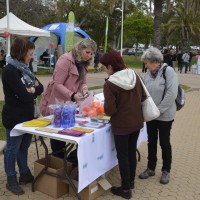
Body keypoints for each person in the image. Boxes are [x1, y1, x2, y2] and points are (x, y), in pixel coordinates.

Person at [99, 50, 146, 199]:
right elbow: (144, 96)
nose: (105, 70)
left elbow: (110, 110)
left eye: (105, 67)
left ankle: (125, 190)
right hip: (137, 121)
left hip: (121, 125)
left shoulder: (110, 83)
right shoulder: (135, 75)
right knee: (131, 152)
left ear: (111, 67)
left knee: (123, 156)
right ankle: (130, 182)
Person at [39, 38, 97, 158]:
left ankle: (67, 161)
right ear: (80, 48)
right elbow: (57, 83)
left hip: (68, 103)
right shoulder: (65, 59)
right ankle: (58, 161)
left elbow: (82, 83)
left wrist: (84, 89)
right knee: (58, 133)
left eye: (92, 53)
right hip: (56, 101)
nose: (89, 56)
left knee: (68, 129)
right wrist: (72, 94)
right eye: (87, 52)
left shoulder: (84, 63)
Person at [1, 38, 44, 195]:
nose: (32, 57)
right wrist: (32, 90)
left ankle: (24, 173)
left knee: (24, 146)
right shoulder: (10, 71)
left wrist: (31, 90)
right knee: (12, 148)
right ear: (21, 53)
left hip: (28, 116)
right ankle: (11, 178)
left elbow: (41, 88)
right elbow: (25, 96)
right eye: (30, 53)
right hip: (14, 117)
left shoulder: (26, 67)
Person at [139, 46, 178, 185]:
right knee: (152, 141)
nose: (145, 64)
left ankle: (166, 170)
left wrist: (158, 110)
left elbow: (171, 94)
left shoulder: (168, 72)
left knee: (164, 142)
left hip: (165, 115)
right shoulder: (148, 73)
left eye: (147, 62)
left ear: (155, 61)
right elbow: (145, 93)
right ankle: (151, 168)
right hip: (151, 115)